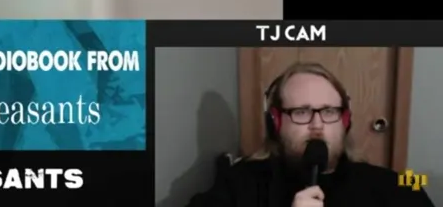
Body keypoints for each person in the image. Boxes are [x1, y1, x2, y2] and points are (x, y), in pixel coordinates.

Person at [186, 61, 434, 207]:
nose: (317, 124)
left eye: (329, 111)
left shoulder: (391, 184)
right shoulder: (239, 183)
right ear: (276, 122)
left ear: (345, 121)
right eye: (301, 112)